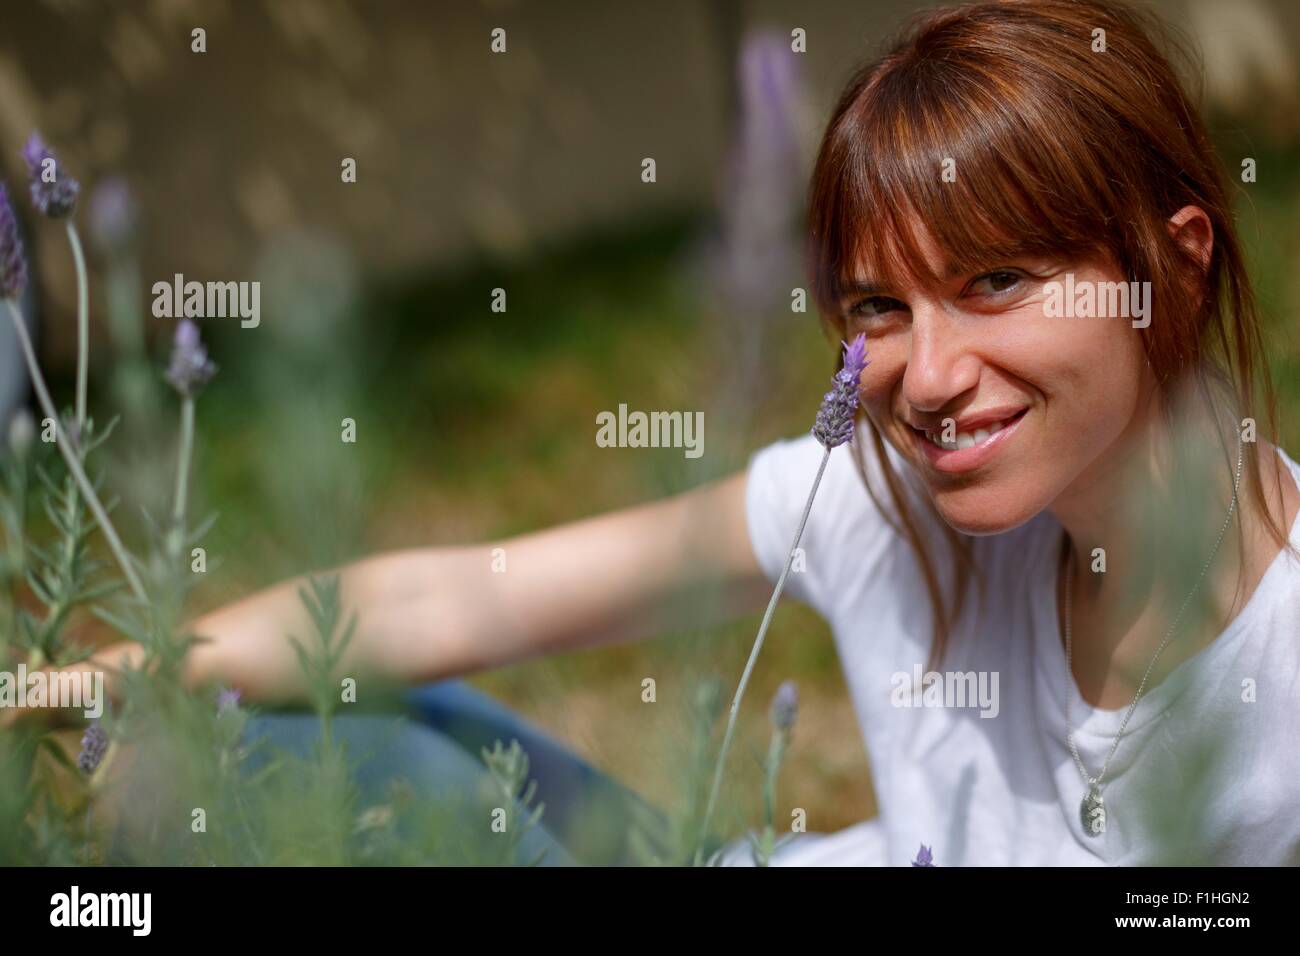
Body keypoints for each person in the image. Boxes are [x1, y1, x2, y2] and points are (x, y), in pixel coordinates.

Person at [63, 0, 1300, 865]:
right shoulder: (879, 496)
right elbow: (463, 597)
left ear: (1170, 267)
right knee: (268, 742)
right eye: (879, 306)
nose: (925, 376)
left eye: (995, 283)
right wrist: (109, 671)